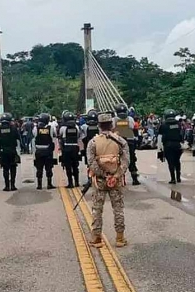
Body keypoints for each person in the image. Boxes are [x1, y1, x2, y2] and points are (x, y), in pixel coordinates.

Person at [87, 113, 130, 248]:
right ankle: (120, 238)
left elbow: (91, 162)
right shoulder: (120, 141)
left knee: (97, 209)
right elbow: (125, 161)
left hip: (99, 181)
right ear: (111, 125)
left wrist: (102, 174)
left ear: (99, 126)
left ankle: (97, 238)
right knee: (118, 209)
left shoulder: (93, 142)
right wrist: (116, 175)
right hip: (115, 180)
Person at [113, 103, 140, 185]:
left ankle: (118, 180)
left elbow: (112, 128)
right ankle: (135, 179)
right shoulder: (130, 119)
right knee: (131, 160)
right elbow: (132, 127)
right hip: (129, 142)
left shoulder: (114, 120)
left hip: (118, 142)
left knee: (117, 161)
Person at [157, 109, 183, 184]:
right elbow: (181, 134)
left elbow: (160, 137)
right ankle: (178, 178)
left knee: (170, 162)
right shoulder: (178, 124)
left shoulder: (163, 125)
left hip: (168, 145)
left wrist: (160, 149)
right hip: (177, 145)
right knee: (177, 161)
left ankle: (173, 179)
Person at [0, 113, 21, 191]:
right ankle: (13, 185)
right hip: (12, 151)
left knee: (5, 168)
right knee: (13, 167)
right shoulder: (13, 128)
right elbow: (18, 137)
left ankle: (7, 186)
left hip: (3, 151)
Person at [33, 113, 56, 190]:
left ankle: (39, 185)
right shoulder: (51, 128)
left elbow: (34, 136)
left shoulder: (36, 128)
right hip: (48, 151)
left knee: (39, 168)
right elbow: (53, 136)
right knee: (48, 168)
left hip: (38, 151)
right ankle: (49, 184)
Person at [59, 112, 82, 188]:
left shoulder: (63, 128)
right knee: (75, 166)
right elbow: (78, 136)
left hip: (66, 148)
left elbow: (60, 137)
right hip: (75, 148)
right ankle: (77, 182)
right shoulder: (77, 127)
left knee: (68, 166)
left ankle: (70, 183)